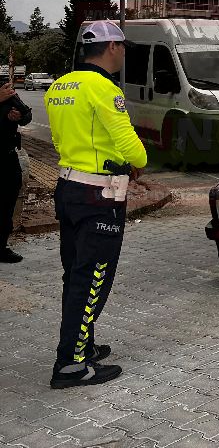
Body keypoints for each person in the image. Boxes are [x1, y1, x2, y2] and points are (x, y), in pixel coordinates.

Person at [45, 21, 147, 389]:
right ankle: (71, 365)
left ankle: (81, 345)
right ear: (111, 48)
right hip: (99, 196)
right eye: (122, 46)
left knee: (75, 273)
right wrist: (138, 159)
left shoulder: (59, 86)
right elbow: (129, 143)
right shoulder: (104, 89)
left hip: (69, 187)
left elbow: (61, 138)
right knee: (92, 278)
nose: (123, 53)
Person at [1, 81, 32, 263]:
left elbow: (27, 114)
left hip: (7, 156)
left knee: (7, 200)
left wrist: (19, 116)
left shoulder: (6, 90)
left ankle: (2, 246)